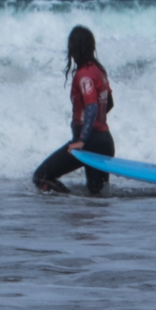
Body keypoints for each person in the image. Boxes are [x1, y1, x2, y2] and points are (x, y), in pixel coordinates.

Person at [32, 26, 114, 195]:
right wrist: (96, 127)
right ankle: (81, 207)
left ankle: (69, 202)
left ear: (75, 48)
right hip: (105, 142)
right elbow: (109, 103)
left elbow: (92, 107)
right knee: (97, 195)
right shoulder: (99, 71)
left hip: (88, 144)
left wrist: (82, 140)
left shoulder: (84, 75)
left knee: (40, 177)